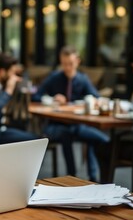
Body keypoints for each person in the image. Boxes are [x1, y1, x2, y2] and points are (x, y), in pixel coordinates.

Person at [32, 46, 109, 182]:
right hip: (54, 126)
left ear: (78, 61)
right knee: (66, 134)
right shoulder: (55, 77)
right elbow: (36, 95)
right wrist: (52, 99)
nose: (67, 67)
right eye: (64, 64)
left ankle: (93, 176)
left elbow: (96, 97)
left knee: (99, 139)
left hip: (77, 125)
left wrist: (90, 101)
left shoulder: (82, 79)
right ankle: (72, 176)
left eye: (71, 64)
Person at [0, 53, 38, 146]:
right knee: (36, 141)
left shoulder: (1, 84)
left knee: (36, 137)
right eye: (12, 72)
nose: (13, 75)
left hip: (4, 127)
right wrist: (8, 91)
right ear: (2, 72)